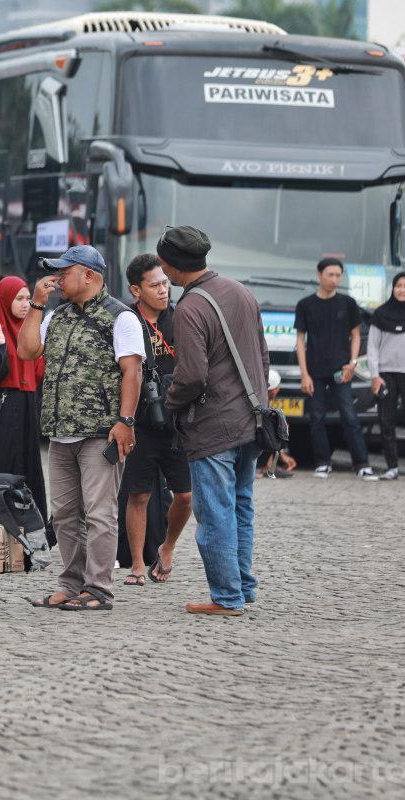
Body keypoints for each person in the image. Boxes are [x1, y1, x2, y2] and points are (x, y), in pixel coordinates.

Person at [18, 245, 143, 612]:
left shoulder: (121, 317)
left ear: (89, 275)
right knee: (65, 515)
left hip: (100, 433)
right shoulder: (56, 315)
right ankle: (71, 584)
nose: (58, 279)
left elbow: (132, 372)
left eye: (65, 272)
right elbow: (27, 351)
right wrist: (36, 305)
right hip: (61, 431)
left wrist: (125, 422)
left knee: (100, 514)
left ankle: (99, 588)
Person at [160, 225, 269, 617]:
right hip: (251, 422)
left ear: (172, 265)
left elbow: (191, 377)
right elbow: (262, 356)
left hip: (213, 427)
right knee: (240, 506)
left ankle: (226, 597)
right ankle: (243, 586)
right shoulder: (240, 291)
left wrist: (169, 402)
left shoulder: (190, 308)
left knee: (215, 513)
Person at [121, 254, 193, 586]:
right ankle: (137, 564)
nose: (164, 290)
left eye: (165, 283)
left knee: (185, 495)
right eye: (155, 285)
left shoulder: (181, 318)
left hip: (177, 422)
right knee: (138, 494)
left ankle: (167, 547)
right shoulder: (126, 321)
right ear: (136, 291)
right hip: (141, 422)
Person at [0, 276, 46, 522]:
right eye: (19, 299)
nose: (25, 304)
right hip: (3, 410)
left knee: (28, 465)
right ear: (4, 301)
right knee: (0, 465)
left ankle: (31, 526)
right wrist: (0, 347)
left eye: (28, 299)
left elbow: (38, 373)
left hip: (27, 406)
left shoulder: (31, 330)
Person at [295, 257, 375, 480]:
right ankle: (322, 463)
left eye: (338, 275)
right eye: (330, 275)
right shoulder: (305, 305)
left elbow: (356, 335)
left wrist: (353, 363)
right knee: (316, 417)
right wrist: (304, 374)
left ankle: (362, 464)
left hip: (342, 370)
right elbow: (300, 340)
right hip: (314, 371)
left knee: (350, 416)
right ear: (319, 275)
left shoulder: (348, 303)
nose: (334, 279)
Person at [368, 272, 405, 481]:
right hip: (385, 374)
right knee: (386, 419)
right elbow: (372, 347)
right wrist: (374, 375)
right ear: (392, 288)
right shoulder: (381, 314)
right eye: (398, 285)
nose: (402, 289)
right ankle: (392, 467)